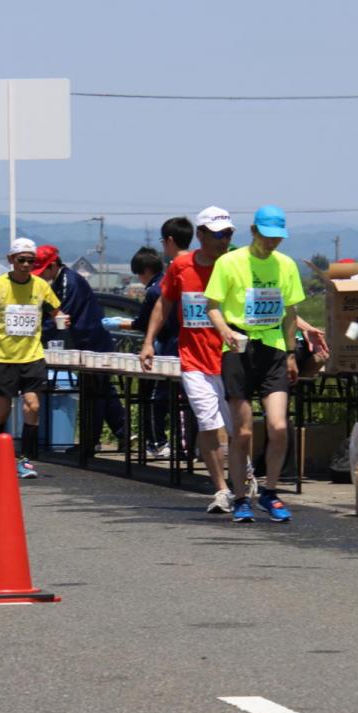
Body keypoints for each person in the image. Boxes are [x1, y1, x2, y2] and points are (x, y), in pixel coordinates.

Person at [204, 205, 306, 523]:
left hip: (273, 348)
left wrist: (291, 354)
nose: (272, 243)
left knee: (278, 425)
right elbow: (212, 306)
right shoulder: (229, 262)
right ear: (253, 231)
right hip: (237, 348)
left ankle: (270, 492)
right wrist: (225, 332)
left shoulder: (286, 265)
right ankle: (239, 497)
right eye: (267, 236)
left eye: (278, 238)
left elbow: (291, 313)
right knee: (244, 432)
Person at [140, 207, 234, 513]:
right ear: (201, 235)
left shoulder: (235, 264)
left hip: (231, 358)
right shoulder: (181, 266)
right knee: (208, 424)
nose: (225, 240)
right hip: (193, 358)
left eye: (229, 234)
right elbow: (163, 305)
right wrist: (148, 342)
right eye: (219, 234)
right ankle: (221, 489)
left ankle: (244, 477)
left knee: (235, 428)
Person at [0, 237, 63, 479]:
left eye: (31, 261)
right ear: (11, 260)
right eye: (21, 260)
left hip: (32, 356)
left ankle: (26, 459)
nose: (26, 265)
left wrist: (63, 318)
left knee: (33, 406)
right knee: (1, 412)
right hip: (3, 357)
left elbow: (56, 310)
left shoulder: (41, 286)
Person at [33, 244, 129, 452]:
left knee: (94, 393)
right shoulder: (59, 282)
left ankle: (90, 441)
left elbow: (61, 316)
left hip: (93, 342)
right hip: (86, 342)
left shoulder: (69, 281)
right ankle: (124, 433)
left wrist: (36, 332)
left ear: (53, 265)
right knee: (103, 391)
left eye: (43, 271)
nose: (41, 277)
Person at [113, 245, 177, 458]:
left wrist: (121, 324)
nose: (139, 278)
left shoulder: (155, 290)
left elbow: (144, 323)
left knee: (152, 397)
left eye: (139, 274)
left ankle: (156, 441)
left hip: (162, 347)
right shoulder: (171, 282)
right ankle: (185, 444)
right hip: (179, 347)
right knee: (177, 398)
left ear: (146, 270)